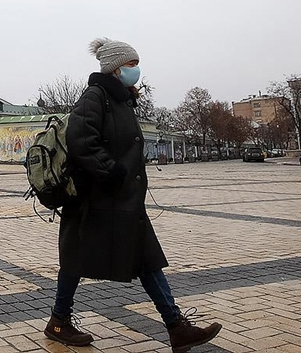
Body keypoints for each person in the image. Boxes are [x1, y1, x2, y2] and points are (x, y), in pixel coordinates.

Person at [43, 37, 222, 352]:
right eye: (131, 64)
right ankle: (60, 320)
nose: (136, 70)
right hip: (96, 198)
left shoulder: (121, 99)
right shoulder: (95, 97)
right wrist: (111, 171)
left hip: (119, 199)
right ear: (114, 68)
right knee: (76, 258)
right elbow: (82, 139)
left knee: (145, 258)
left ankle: (176, 326)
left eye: (136, 63)